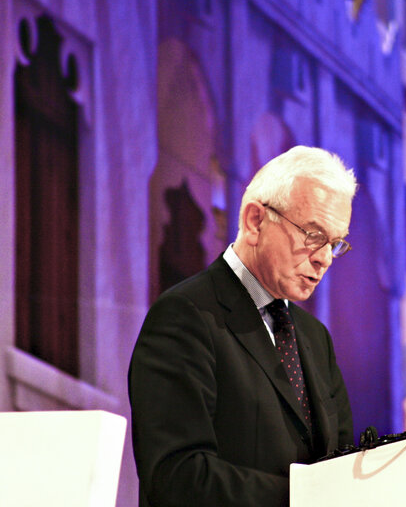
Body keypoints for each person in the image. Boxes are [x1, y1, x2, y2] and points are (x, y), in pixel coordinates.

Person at [128, 145, 357, 506]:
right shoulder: (186, 315)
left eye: (335, 243)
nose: (325, 258)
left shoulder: (316, 338)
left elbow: (340, 467)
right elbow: (176, 477)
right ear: (255, 221)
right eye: (314, 236)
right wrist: (305, 497)